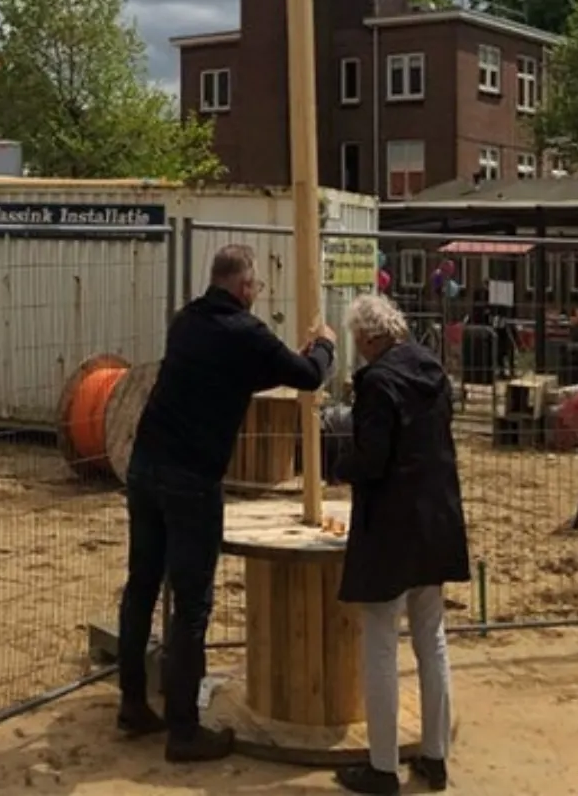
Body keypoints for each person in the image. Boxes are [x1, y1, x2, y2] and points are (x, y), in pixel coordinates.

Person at [116, 244, 336, 762]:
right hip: (191, 479)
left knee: (143, 584)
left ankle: (132, 703)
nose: (256, 295)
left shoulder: (186, 322)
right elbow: (306, 377)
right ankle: (184, 732)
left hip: (145, 467)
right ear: (243, 288)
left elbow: (243, 373)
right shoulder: (245, 333)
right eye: (255, 287)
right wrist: (323, 346)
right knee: (192, 605)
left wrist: (288, 360)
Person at [334, 291, 469, 796]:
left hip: (390, 528)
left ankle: (383, 766)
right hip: (435, 519)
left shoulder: (377, 381)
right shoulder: (431, 368)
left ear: (369, 338)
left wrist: (337, 464)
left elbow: (372, 460)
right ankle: (434, 759)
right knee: (432, 640)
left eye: (356, 342)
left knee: (381, 645)